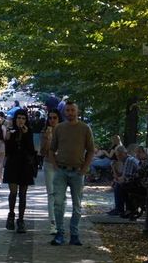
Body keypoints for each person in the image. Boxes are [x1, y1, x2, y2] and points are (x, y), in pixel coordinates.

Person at [49, 101, 94, 246]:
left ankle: (74, 234)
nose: (70, 113)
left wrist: (85, 168)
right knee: (58, 203)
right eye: (67, 110)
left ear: (77, 111)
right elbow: (51, 149)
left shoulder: (85, 128)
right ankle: (59, 233)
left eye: (72, 110)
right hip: (61, 171)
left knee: (77, 205)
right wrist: (55, 166)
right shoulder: (59, 128)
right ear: (64, 112)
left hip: (77, 171)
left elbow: (91, 150)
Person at [3, 109, 37, 233]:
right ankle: (11, 215)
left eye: (23, 118)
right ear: (15, 119)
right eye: (19, 118)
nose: (21, 120)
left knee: (23, 194)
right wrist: (9, 137)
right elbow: (8, 150)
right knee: (13, 193)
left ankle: (21, 220)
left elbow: (31, 149)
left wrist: (26, 135)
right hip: (12, 164)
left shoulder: (29, 131)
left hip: (25, 165)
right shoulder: (10, 131)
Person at [39, 109, 61, 234]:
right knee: (51, 194)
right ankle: (52, 223)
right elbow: (42, 152)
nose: (52, 120)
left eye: (55, 118)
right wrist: (47, 139)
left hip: (62, 165)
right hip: (49, 165)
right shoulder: (45, 132)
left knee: (61, 196)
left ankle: (60, 222)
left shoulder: (64, 130)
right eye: (50, 118)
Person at [107, 145, 140, 216]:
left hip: (137, 184)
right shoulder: (126, 161)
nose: (118, 157)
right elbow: (120, 176)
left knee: (118, 185)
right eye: (117, 155)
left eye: (120, 155)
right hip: (134, 182)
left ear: (125, 153)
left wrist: (116, 180)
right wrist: (113, 168)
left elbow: (125, 177)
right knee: (118, 184)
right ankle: (119, 209)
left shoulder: (129, 160)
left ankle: (119, 209)